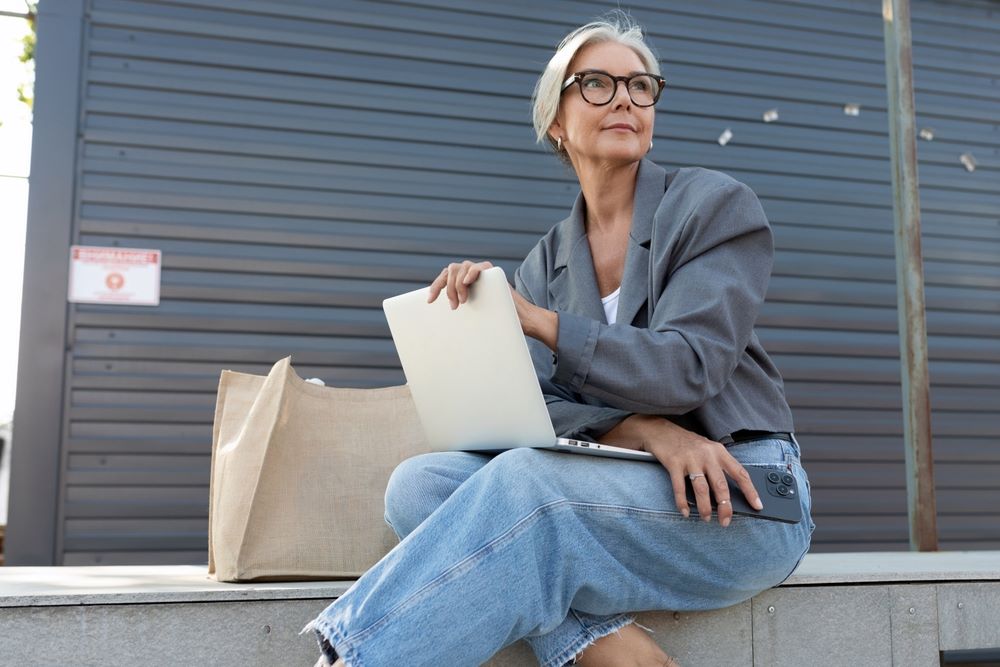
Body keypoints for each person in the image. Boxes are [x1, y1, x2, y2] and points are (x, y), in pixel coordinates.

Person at [301, 13, 815, 667]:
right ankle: (604, 645)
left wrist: (539, 323)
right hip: (632, 474)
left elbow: (689, 366)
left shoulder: (713, 207)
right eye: (596, 84)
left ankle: (348, 659)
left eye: (640, 85)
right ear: (556, 120)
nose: (625, 97)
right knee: (419, 484)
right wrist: (643, 429)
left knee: (524, 484)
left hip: (738, 493)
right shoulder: (547, 260)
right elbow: (536, 409)